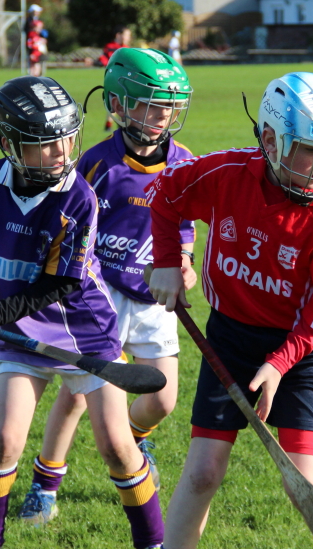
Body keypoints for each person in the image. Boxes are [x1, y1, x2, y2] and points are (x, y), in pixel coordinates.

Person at [0, 75, 164, 549]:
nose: (62, 152)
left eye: (67, 140)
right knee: (4, 441)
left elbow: (63, 282)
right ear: (9, 144)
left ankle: (153, 544)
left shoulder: (77, 196)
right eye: (46, 144)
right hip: (22, 334)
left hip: (87, 332)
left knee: (116, 448)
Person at [146, 72, 313, 549]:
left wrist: (280, 363)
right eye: (311, 148)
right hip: (230, 339)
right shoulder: (224, 174)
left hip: (303, 350)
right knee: (202, 472)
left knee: (304, 483)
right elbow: (165, 196)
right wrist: (167, 261)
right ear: (270, 139)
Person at [18, 47, 196, 525]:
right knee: (77, 395)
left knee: (162, 397)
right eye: (151, 103)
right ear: (119, 105)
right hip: (100, 297)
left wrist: (184, 264)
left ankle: (134, 438)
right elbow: (70, 224)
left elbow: (184, 227)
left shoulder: (184, 164)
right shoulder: (96, 165)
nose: (162, 115)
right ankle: (44, 482)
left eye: (169, 105)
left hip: (154, 296)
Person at [84, 25, 132, 131]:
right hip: (114, 79)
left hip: (125, 80)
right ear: (118, 35)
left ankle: (116, 125)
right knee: (115, 101)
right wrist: (93, 62)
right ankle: (113, 125)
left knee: (122, 102)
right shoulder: (111, 47)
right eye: (127, 35)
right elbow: (104, 60)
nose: (128, 38)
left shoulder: (127, 49)